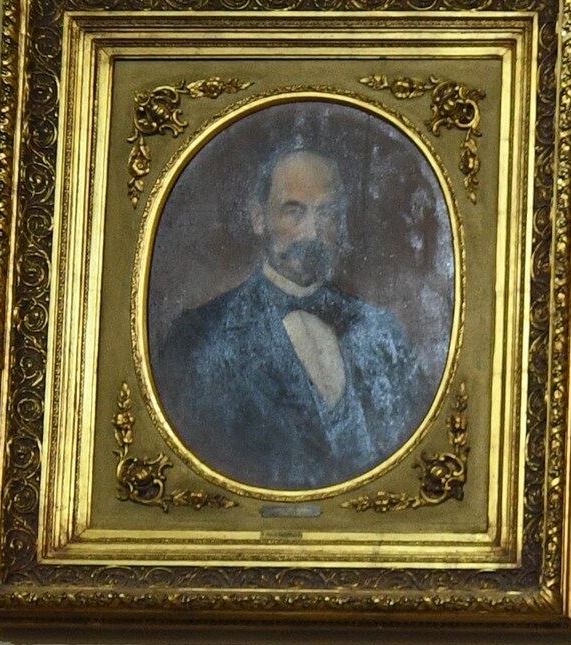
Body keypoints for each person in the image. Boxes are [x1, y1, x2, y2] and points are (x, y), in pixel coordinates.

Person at [154, 142, 434, 490]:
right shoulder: (198, 338)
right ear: (259, 218)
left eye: (327, 213)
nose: (312, 233)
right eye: (293, 211)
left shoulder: (383, 333)